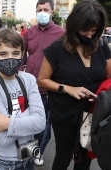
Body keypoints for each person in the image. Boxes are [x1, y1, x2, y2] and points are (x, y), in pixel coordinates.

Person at [37, 0, 111, 170]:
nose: (90, 36)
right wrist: (68, 88)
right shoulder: (57, 49)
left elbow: (109, 77)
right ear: (74, 26)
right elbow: (42, 80)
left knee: (85, 156)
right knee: (63, 155)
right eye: (85, 30)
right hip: (65, 113)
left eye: (95, 31)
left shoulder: (101, 46)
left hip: (93, 113)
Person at [0, 28, 46, 170]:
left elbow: (41, 123)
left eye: (15, 53)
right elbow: (3, 140)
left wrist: (6, 122)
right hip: (2, 162)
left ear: (22, 55)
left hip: (28, 155)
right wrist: (30, 117)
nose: (10, 59)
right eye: (3, 54)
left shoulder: (28, 79)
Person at [20, 0, 65, 165]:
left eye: (46, 9)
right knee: (27, 124)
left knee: (44, 127)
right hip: (29, 88)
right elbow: (21, 55)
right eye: (39, 9)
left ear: (52, 12)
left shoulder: (62, 34)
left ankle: (38, 152)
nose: (42, 12)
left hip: (49, 90)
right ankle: (25, 155)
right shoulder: (29, 33)